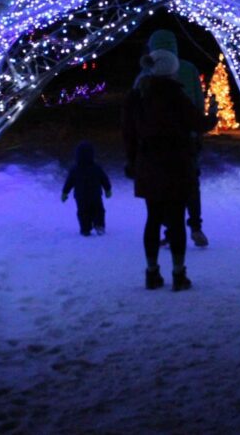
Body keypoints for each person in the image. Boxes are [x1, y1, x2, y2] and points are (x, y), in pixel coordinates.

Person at [123, 45, 213, 291]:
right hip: (176, 166)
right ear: (170, 71)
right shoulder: (176, 96)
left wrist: (133, 162)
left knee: (153, 218)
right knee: (175, 220)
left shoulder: (137, 97)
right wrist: (212, 115)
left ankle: (152, 273)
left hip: (149, 166)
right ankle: (178, 273)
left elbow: (129, 134)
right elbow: (198, 123)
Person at [133, 29, 211, 248]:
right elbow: (197, 101)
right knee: (191, 183)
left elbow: (135, 111)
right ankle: (195, 226)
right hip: (187, 140)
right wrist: (198, 129)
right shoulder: (188, 69)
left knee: (164, 188)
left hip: (156, 145)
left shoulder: (145, 75)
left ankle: (169, 230)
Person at [61, 141, 112, 236]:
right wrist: (108, 189)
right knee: (98, 211)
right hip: (95, 195)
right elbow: (104, 179)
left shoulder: (75, 169)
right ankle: (99, 225)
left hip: (81, 196)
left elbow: (69, 182)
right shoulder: (96, 168)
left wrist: (65, 193)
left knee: (83, 212)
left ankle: (85, 229)